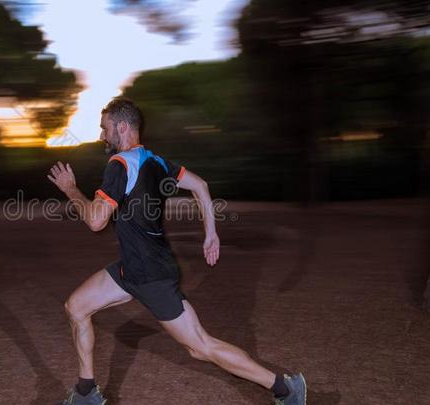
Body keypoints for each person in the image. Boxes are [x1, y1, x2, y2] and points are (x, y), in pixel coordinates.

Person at [48, 98, 306, 405]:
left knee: (200, 347)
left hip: (150, 274)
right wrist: (210, 233)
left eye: (104, 128)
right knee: (76, 307)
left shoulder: (120, 165)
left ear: (121, 126)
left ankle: (285, 388)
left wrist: (70, 190)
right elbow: (200, 185)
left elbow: (95, 221)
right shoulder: (155, 161)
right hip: (131, 268)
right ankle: (86, 392)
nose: (102, 135)